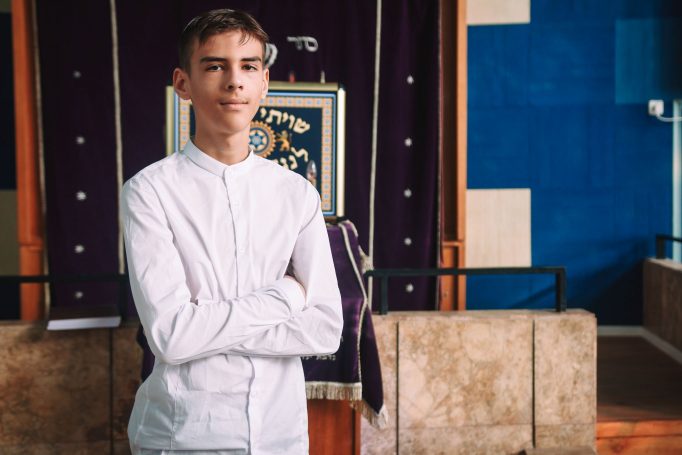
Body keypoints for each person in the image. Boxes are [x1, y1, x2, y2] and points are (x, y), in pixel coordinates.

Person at [120, 9, 343, 454]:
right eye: (215, 66)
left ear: (264, 81)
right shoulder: (149, 192)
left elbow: (324, 329)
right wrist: (286, 297)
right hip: (183, 436)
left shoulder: (297, 194)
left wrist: (204, 327)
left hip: (280, 436)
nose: (234, 82)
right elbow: (171, 337)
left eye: (248, 67)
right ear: (183, 83)